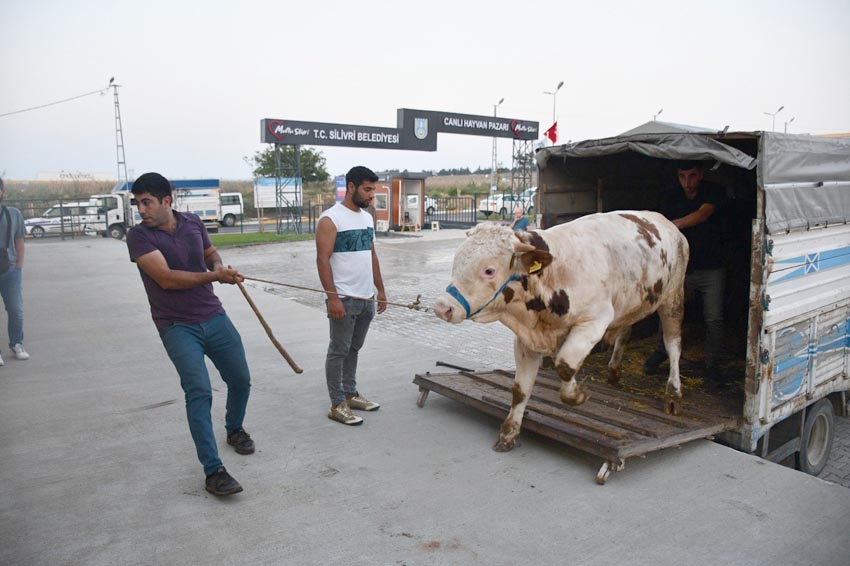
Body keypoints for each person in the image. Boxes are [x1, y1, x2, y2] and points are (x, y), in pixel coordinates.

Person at [126, 172, 254, 497]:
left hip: (212, 315)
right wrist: (214, 276)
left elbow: (210, 253)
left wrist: (220, 265)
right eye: (138, 203)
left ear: (166, 201)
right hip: (176, 326)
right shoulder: (138, 237)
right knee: (199, 392)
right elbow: (166, 279)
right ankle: (214, 472)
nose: (141, 210)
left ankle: (234, 429)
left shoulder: (194, 222)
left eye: (146, 202)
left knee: (240, 379)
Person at [644, 160, 727, 387]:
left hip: (712, 268)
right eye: (682, 177)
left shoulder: (714, 192)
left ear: (700, 175)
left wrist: (670, 226)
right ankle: (661, 351)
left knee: (713, 319)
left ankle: (712, 365)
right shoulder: (670, 197)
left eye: (692, 176)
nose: (687, 183)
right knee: (667, 310)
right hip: (681, 268)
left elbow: (702, 215)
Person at [316, 166, 387, 426]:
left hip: (366, 297)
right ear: (352, 187)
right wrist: (332, 298)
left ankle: (350, 393)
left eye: (373, 190)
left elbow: (372, 255)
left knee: (354, 348)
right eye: (367, 190)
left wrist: (380, 290)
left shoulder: (367, 218)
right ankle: (337, 404)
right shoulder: (330, 219)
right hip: (344, 299)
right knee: (339, 350)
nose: (371, 196)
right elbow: (322, 260)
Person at [0, 178, 29, 365]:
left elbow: (19, 240)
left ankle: (17, 343)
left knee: (16, 310)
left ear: (3, 192)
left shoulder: (13, 214)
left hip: (10, 269)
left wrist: (19, 265)